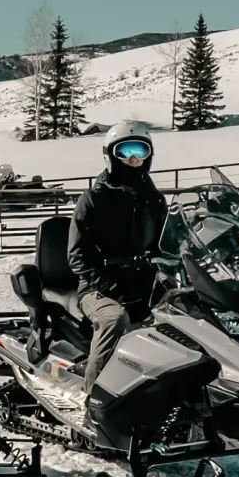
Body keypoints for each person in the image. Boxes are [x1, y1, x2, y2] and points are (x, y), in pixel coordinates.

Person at [66, 121, 167, 390]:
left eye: (141, 151)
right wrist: (104, 282)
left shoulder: (154, 200)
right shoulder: (94, 199)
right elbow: (77, 255)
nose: (134, 159)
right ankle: (95, 402)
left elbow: (167, 242)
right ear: (112, 155)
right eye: (126, 151)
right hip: (98, 287)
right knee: (115, 319)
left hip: (144, 284)